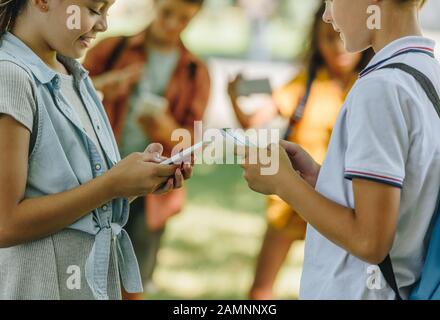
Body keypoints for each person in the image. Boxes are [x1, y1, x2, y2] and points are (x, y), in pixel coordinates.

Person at [240, 0, 440, 299]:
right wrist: (322, 180)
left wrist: (282, 184)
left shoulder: (380, 88)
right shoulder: (425, 71)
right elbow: (404, 199)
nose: (326, 14)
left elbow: (370, 242)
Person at [0, 0, 192, 300]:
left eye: (107, 10)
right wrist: (110, 186)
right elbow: (5, 223)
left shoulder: (75, 75)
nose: (103, 25)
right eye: (93, 9)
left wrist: (135, 183)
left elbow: (77, 200)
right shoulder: (10, 76)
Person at [228, 3, 372, 299]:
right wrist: (232, 96)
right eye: (327, 38)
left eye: (342, 36)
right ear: (315, 42)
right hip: (289, 202)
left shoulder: (368, 85)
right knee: (261, 288)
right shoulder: (303, 84)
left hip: (337, 203)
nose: (337, 47)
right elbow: (251, 122)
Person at [83, 0, 210, 299]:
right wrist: (102, 86)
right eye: (167, 13)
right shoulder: (112, 49)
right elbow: (65, 98)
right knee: (82, 276)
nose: (171, 24)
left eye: (183, 19)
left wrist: (167, 128)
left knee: (131, 284)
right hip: (96, 178)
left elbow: (196, 142)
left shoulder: (195, 71)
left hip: (152, 192)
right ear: (154, 4)